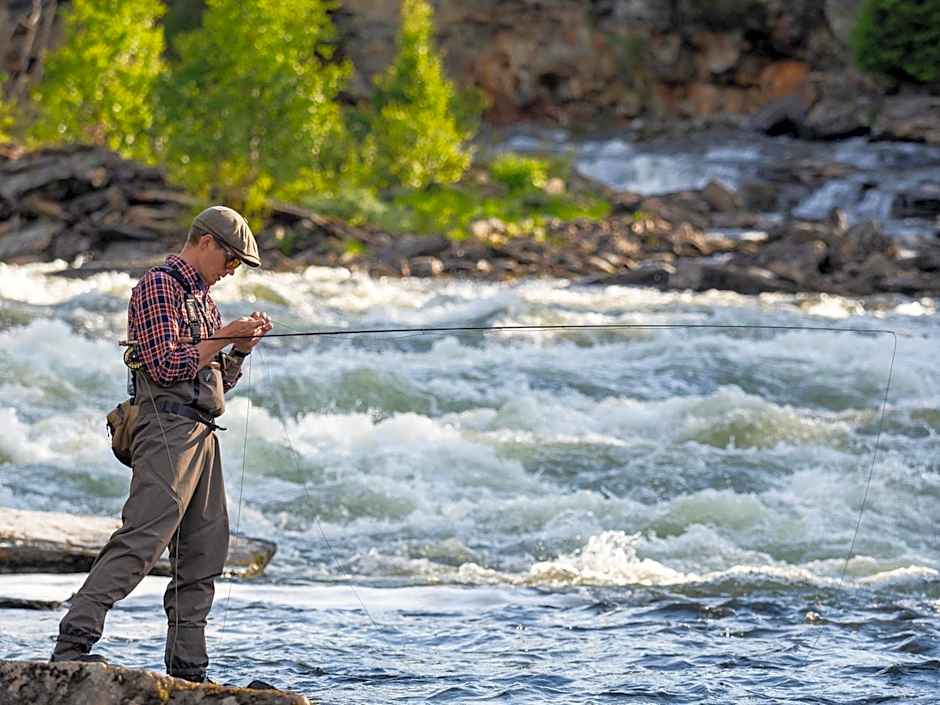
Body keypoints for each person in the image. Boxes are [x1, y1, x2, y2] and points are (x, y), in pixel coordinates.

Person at [51, 206, 273, 683]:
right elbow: (166, 367)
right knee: (141, 543)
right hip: (165, 432)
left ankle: (188, 673)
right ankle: (72, 645)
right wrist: (221, 336)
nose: (232, 270)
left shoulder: (203, 298)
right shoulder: (159, 286)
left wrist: (237, 349)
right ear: (207, 242)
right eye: (231, 259)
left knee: (203, 552)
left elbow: (215, 384)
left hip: (202, 435)